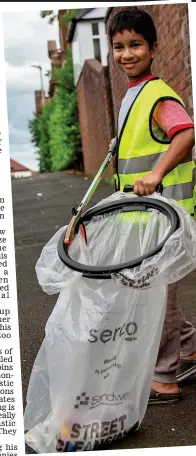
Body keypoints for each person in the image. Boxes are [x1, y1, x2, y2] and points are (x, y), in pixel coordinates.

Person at [108, 7, 196, 404]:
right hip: (144, 220)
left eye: (135, 45)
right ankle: (191, 348)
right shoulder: (133, 95)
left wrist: (157, 173)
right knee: (157, 293)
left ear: (154, 48)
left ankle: (164, 378)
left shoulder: (157, 95)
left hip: (167, 220)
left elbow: (185, 133)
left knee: (156, 297)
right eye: (118, 47)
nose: (126, 54)